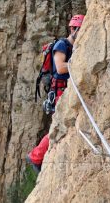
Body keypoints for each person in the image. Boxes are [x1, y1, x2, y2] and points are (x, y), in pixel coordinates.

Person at [26, 15, 85, 173]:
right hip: (59, 92)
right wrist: (80, 63)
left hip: (65, 91)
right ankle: (35, 157)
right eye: (80, 29)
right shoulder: (62, 45)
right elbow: (60, 68)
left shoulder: (73, 48)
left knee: (59, 126)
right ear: (73, 29)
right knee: (58, 126)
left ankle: (37, 157)